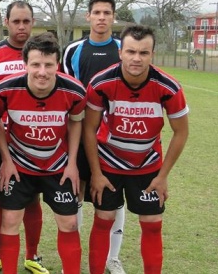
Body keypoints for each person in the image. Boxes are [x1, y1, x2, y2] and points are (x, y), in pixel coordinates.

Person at [85, 24, 189, 274]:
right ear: (121, 52)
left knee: (152, 225)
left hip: (148, 168)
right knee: (103, 221)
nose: (136, 58)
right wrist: (97, 174)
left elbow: (181, 131)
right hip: (109, 165)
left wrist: (163, 176)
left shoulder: (168, 87)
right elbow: (89, 129)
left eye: (144, 53)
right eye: (131, 51)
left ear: (152, 54)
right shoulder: (101, 83)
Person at [0, 32, 85, 274]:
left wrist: (72, 163)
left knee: (69, 222)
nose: (42, 71)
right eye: (35, 64)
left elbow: (76, 122)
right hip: (19, 165)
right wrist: (6, 159)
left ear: (57, 65)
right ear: (25, 65)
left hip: (57, 166)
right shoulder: (5, 89)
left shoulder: (74, 91)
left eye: (48, 65)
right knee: (10, 221)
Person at [0, 0, 49, 274]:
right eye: (16, 21)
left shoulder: (44, 54)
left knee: (33, 198)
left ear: (33, 23)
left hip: (35, 140)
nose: (22, 26)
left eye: (27, 21)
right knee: (0, 196)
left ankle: (33, 256)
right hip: (1, 141)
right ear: (6, 22)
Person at [61, 0, 126, 274]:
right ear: (88, 16)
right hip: (79, 135)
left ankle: (112, 258)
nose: (102, 17)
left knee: (113, 198)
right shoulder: (73, 50)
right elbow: (66, 94)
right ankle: (73, 263)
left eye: (107, 13)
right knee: (77, 193)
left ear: (113, 17)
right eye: (97, 12)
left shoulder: (125, 48)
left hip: (113, 141)